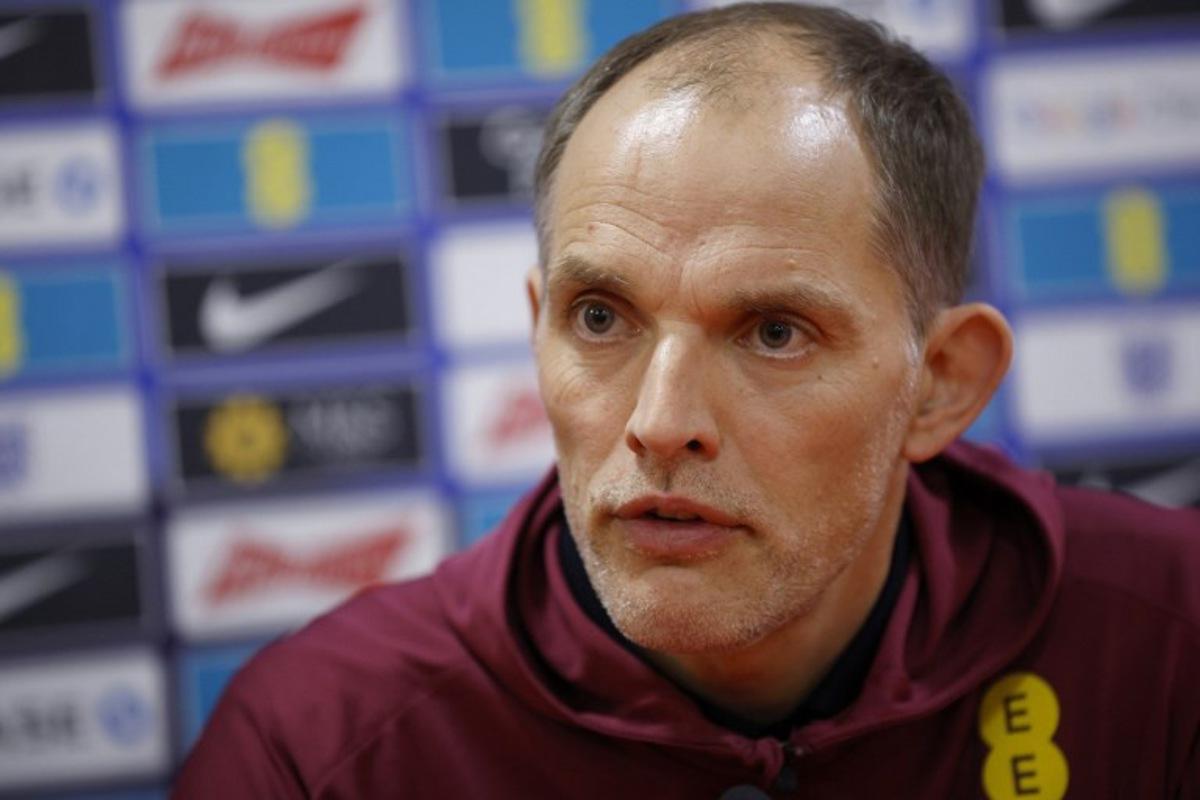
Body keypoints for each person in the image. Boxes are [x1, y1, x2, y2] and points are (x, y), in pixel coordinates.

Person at [173, 4, 1200, 798]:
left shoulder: (1171, 639)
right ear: (537, 327)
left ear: (940, 383)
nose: (660, 423)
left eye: (774, 332)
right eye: (600, 317)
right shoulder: (314, 747)